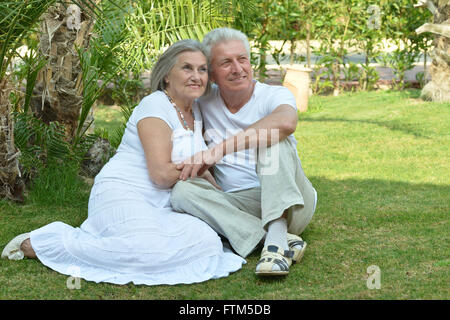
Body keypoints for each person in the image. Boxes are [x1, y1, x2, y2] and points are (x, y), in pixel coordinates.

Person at [1, 39, 245, 286]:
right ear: (167, 76)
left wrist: (219, 193)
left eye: (202, 69)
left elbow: (204, 159)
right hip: (125, 191)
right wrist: (201, 168)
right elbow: (160, 174)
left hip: (166, 203)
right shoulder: (155, 105)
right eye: (187, 68)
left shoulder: (197, 111)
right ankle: (47, 242)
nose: (196, 76)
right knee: (143, 252)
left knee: (207, 242)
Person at [170, 28, 317, 276]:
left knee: (272, 139)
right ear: (212, 74)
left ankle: (275, 247)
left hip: (293, 201)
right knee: (182, 192)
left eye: (242, 59)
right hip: (240, 204)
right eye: (226, 62)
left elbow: (286, 122)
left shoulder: (274, 94)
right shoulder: (203, 103)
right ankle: (278, 238)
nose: (238, 68)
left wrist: (218, 151)